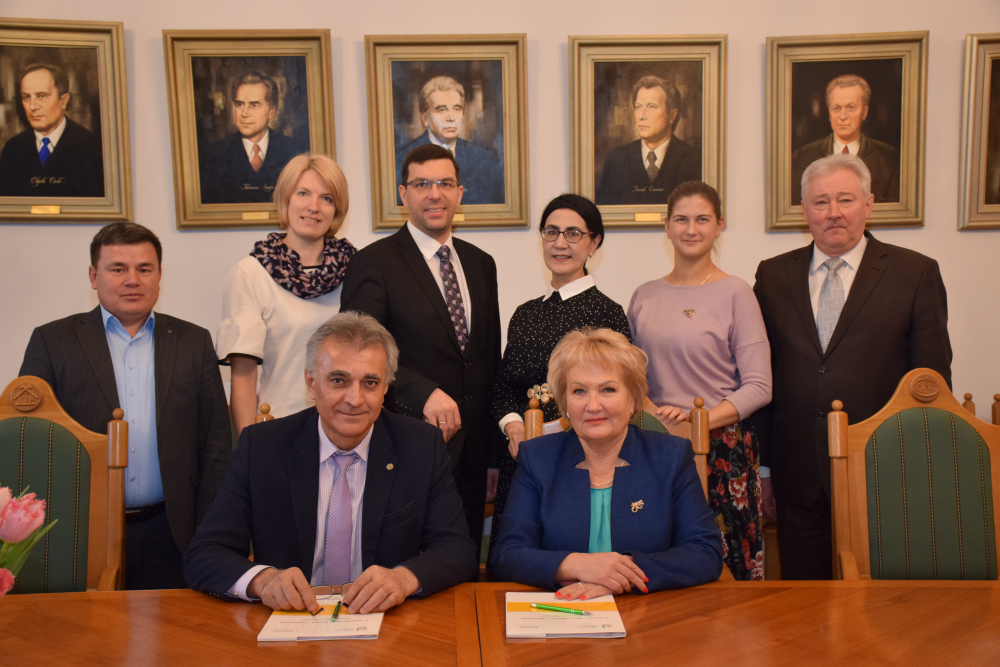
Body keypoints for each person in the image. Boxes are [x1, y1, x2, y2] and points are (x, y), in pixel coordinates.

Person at [184, 312, 478, 613]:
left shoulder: (421, 447)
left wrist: (403, 579)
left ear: (385, 389)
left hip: (386, 621)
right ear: (311, 383)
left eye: (370, 382)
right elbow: (205, 553)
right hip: (289, 621)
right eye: (339, 380)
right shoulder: (262, 448)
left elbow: (458, 549)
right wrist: (263, 580)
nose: (354, 399)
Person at [753, 154, 952, 580]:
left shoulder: (915, 273)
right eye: (820, 201)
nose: (833, 212)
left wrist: (921, 471)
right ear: (804, 210)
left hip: (884, 472)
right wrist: (765, 470)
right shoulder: (772, 276)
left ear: (868, 204)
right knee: (803, 604)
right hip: (797, 476)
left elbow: (931, 383)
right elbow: (764, 377)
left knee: (880, 604)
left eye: (845, 199)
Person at [19, 222, 232, 589]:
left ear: (159, 275)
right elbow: (33, 442)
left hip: (174, 532)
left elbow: (216, 443)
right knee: (91, 627)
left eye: (144, 269)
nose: (132, 280)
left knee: (177, 626)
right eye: (118, 269)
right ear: (93, 276)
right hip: (83, 531)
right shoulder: (52, 341)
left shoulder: (193, 341)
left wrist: (207, 530)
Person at [342, 143, 502, 545]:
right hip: (405, 445)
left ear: (459, 193)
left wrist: (492, 456)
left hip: (472, 456)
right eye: (422, 184)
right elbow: (361, 353)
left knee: (463, 563)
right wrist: (423, 392)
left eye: (445, 184)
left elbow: (487, 362)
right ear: (404, 193)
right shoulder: (373, 262)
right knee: (406, 566)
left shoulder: (482, 263)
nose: (435, 194)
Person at [491, 328, 723, 595]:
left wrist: (618, 575)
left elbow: (705, 552)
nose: (593, 405)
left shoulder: (671, 456)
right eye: (579, 391)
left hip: (649, 611)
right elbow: (507, 554)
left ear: (632, 399)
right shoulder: (537, 458)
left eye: (608, 390)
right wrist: (576, 565)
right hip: (563, 609)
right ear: (564, 401)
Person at [628, 181, 772, 581]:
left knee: (726, 566)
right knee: (658, 559)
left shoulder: (736, 293)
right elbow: (631, 378)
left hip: (722, 450)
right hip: (654, 445)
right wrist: (658, 419)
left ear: (719, 225)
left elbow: (759, 386)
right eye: (681, 219)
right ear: (667, 226)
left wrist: (699, 422)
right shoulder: (643, 295)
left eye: (702, 219)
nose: (691, 229)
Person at [485, 194, 631, 575]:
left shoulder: (608, 313)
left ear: (594, 243)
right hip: (521, 457)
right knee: (517, 566)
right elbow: (503, 389)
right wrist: (514, 427)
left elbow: (616, 396)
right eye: (551, 232)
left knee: (573, 567)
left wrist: (552, 428)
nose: (560, 243)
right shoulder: (525, 313)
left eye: (573, 233)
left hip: (579, 459)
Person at [217, 154, 355, 436]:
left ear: (337, 210)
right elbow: (243, 377)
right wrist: (250, 448)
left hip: (349, 425)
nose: (313, 206)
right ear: (285, 199)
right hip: (279, 427)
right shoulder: (250, 274)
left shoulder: (358, 269)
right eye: (303, 193)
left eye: (327, 198)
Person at [199, 71, 307, 204]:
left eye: (254, 105)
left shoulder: (294, 151)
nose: (244, 113)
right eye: (239, 105)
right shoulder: (214, 154)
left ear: (271, 112)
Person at [394, 76, 504, 205]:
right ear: (424, 118)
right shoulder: (402, 161)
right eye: (442, 110)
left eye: (457, 109)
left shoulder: (485, 160)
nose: (451, 118)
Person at [791, 74, 899, 205]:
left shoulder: (888, 159)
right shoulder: (801, 158)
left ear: (864, 112)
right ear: (829, 113)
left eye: (850, 107)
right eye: (836, 108)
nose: (842, 116)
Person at [0, 63, 104, 197]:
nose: (32, 106)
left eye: (41, 96)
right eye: (27, 97)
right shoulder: (13, 149)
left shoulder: (91, 147)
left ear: (63, 101)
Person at [595, 75, 701, 206]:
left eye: (651, 107)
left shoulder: (695, 160)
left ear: (672, 116)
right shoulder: (616, 160)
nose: (641, 116)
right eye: (638, 107)